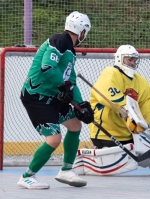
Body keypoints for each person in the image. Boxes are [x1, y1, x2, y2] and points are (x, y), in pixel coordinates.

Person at [73, 45, 150, 176]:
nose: (132, 63)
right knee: (121, 163)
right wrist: (126, 108)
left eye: (134, 60)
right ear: (120, 59)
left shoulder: (141, 82)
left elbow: (147, 110)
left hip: (129, 135)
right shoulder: (110, 73)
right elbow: (110, 94)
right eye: (129, 59)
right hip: (106, 134)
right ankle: (88, 158)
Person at [17, 11, 94, 189]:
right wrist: (63, 86)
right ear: (82, 31)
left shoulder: (70, 50)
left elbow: (71, 80)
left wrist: (81, 104)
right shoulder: (59, 41)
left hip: (54, 95)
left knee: (75, 126)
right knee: (54, 139)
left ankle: (66, 170)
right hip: (36, 97)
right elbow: (47, 67)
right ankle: (27, 176)